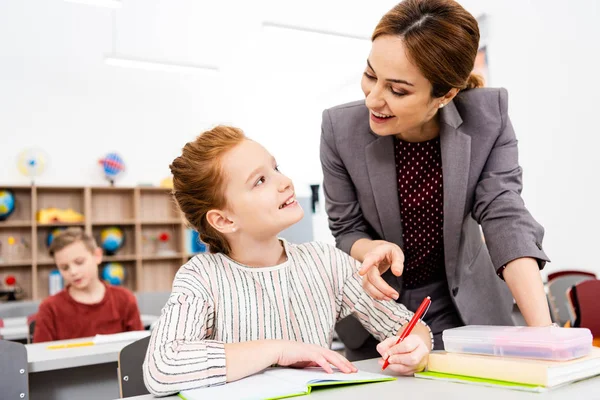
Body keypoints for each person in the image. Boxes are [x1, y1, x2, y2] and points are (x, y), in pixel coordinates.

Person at [320, 0, 552, 361]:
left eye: (397, 90)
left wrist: (544, 336)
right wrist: (372, 251)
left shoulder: (488, 119)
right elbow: (346, 228)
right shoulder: (339, 129)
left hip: (464, 309)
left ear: (445, 95)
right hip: (377, 309)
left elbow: (504, 215)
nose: (373, 99)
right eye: (370, 75)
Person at [142, 126, 433, 396]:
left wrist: (416, 350)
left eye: (276, 168)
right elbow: (161, 368)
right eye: (260, 181)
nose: (285, 182)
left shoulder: (324, 261)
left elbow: (410, 328)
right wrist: (277, 350)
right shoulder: (202, 276)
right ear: (224, 219)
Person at [33, 227, 143, 343]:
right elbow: (40, 356)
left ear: (97, 256)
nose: (73, 272)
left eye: (79, 262)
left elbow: (141, 351)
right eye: (64, 267)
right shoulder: (50, 308)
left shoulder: (124, 299)